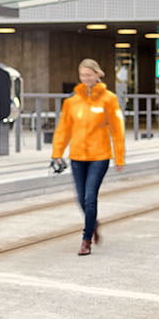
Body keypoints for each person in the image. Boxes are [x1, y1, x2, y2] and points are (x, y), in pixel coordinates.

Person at [50, 58, 125, 255]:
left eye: (89, 75)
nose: (86, 78)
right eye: (83, 75)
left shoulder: (109, 99)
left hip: (99, 156)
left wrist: (119, 157)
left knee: (90, 198)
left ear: (96, 74)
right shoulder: (72, 102)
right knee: (81, 200)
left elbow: (117, 129)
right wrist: (57, 153)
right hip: (77, 156)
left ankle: (86, 239)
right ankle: (93, 224)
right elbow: (63, 129)